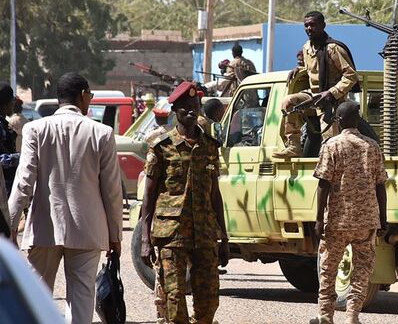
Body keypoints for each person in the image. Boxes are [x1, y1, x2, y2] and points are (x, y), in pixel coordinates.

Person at [8, 72, 122, 324]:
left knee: (36, 300)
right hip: (88, 231)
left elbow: (23, 182)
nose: (90, 100)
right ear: (82, 96)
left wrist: (10, 226)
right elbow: (112, 190)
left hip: (44, 229)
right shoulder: (102, 133)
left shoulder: (35, 129)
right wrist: (115, 236)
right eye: (90, 96)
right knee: (81, 302)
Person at [140, 81, 229, 324]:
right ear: (174, 111)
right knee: (174, 299)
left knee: (209, 301)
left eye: (195, 106)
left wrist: (224, 237)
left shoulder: (210, 147)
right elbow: (148, 197)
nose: (191, 111)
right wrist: (145, 240)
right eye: (185, 107)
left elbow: (215, 194)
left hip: (205, 234)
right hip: (172, 235)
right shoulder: (162, 148)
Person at [311, 101, 387, 324]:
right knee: (362, 270)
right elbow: (380, 185)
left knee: (329, 268)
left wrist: (318, 219)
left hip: (338, 220)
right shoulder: (372, 146)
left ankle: (325, 314)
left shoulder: (332, 145)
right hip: (366, 221)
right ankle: (352, 315)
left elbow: (323, 184)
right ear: (358, 119)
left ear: (339, 120)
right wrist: (383, 218)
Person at [274, 11, 359, 158]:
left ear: (323, 25)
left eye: (313, 25)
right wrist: (298, 69)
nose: (309, 28)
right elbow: (311, 69)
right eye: (306, 25)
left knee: (330, 144)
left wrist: (331, 93)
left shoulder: (333, 49)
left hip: (331, 99)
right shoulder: (307, 48)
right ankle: (294, 146)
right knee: (288, 102)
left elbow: (351, 76)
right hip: (313, 95)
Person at [0, 85, 19, 193]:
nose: (13, 103)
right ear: (6, 103)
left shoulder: (4, 123)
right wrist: (23, 157)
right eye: (13, 100)